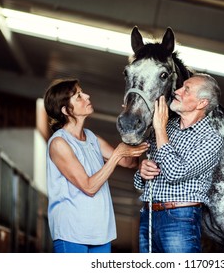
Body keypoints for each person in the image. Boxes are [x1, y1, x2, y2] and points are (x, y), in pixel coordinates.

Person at [44, 78, 149, 253]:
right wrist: (116, 155)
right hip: (72, 233)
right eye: (78, 96)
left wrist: (132, 122)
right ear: (66, 110)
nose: (86, 95)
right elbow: (89, 186)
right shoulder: (59, 143)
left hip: (100, 233)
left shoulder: (91, 138)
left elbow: (129, 162)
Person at [134, 73, 224, 253]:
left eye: (186, 89)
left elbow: (175, 173)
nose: (177, 91)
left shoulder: (211, 139)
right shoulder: (167, 129)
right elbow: (139, 183)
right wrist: (142, 171)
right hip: (149, 215)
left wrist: (159, 129)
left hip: (180, 219)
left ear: (201, 103)